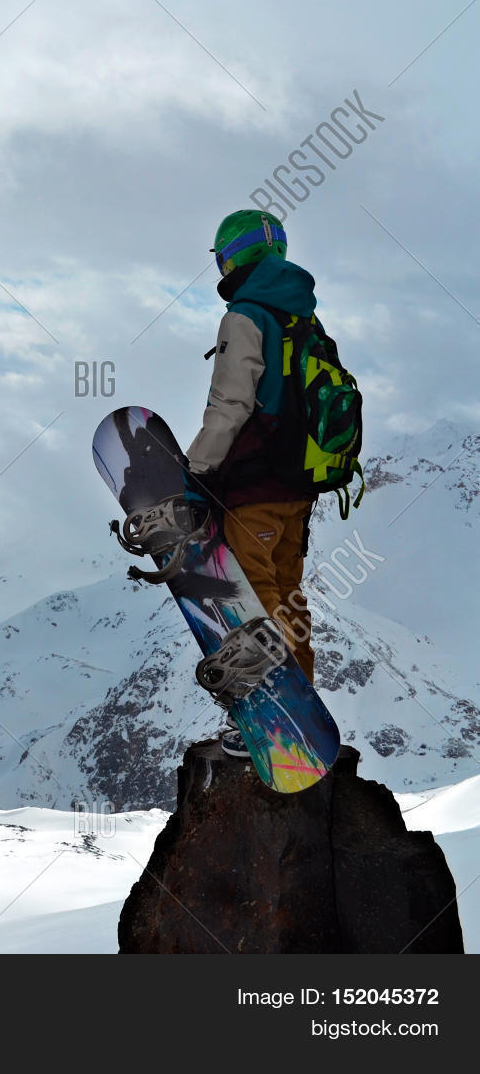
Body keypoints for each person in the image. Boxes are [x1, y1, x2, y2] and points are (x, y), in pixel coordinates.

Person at [183, 210, 320, 757]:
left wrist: (194, 469)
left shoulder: (246, 316)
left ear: (232, 255)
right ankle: (303, 705)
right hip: (299, 491)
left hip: (254, 488)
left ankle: (273, 719)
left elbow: (232, 403)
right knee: (287, 596)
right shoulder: (304, 316)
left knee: (253, 600)